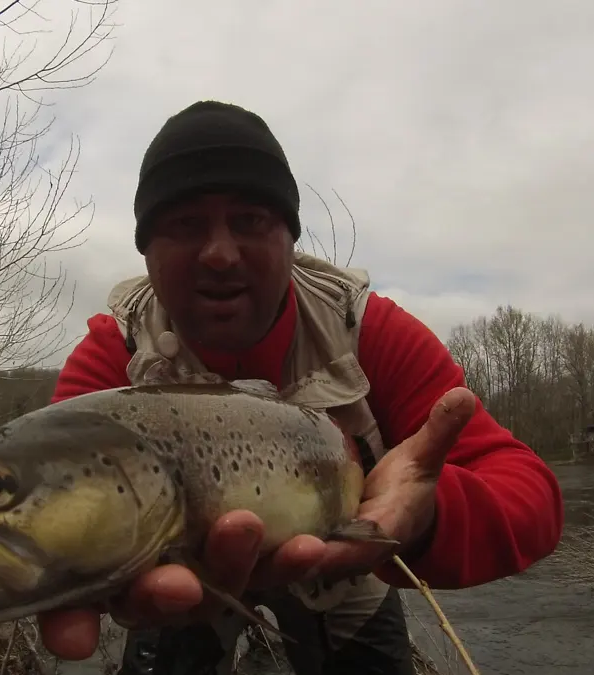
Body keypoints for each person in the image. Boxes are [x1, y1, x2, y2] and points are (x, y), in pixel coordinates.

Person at [34, 100, 565, 675]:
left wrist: (422, 518)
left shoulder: (368, 332)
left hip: (342, 559)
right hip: (183, 581)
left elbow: (529, 494)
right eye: (185, 224)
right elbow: (47, 499)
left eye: (250, 221)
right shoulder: (114, 353)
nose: (219, 252)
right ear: (146, 250)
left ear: (289, 239)